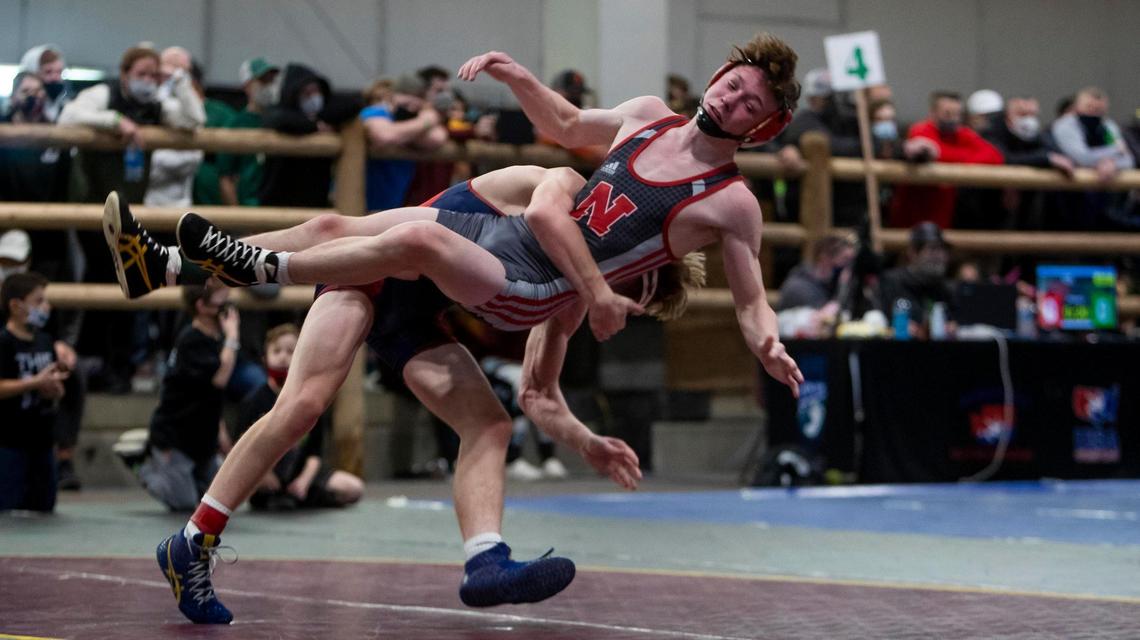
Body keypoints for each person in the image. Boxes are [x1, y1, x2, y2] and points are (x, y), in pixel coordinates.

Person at [109, 30, 804, 623]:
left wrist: (765, 341)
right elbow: (562, 131)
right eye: (734, 85)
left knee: (483, 411)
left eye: (752, 104)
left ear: (764, 127)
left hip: (457, 279)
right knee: (306, 387)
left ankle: (484, 558)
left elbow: (740, 303)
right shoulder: (589, 161)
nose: (733, 101)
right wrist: (517, 76)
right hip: (434, 261)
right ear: (718, 75)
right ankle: (192, 536)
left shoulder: (724, 205)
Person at [231, 323, 363, 509]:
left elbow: (315, 452)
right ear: (265, 358)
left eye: (290, 351)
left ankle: (298, 496)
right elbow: (239, 446)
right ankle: (278, 497)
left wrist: (304, 480)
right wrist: (264, 475)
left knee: (353, 488)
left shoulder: (309, 399)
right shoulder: (254, 401)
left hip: (299, 472)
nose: (283, 357)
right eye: (277, 351)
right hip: (264, 474)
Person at [136, 285, 238, 511]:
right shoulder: (191, 340)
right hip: (176, 437)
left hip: (203, 437)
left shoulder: (215, 338)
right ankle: (143, 467)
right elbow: (219, 379)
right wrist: (232, 336)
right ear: (202, 306)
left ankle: (183, 474)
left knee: (219, 499)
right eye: (221, 301)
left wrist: (220, 430)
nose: (228, 307)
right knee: (184, 502)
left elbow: (211, 394)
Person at [0, 272, 68, 512]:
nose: (46, 306)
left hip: (42, 438)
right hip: (10, 440)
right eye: (39, 301)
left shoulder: (45, 341)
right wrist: (35, 383)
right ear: (16, 306)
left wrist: (54, 390)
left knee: (44, 506)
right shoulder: (4, 342)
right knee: (9, 507)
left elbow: (53, 387)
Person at [889, 91, 1004, 229]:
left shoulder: (962, 133)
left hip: (942, 215)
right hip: (911, 211)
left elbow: (995, 156)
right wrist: (962, 157)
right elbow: (928, 152)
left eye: (957, 114)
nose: (953, 118)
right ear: (933, 113)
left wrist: (949, 157)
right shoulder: (920, 130)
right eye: (947, 113)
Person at [214, 57, 280, 207]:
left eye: (271, 80)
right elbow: (225, 177)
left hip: (278, 205)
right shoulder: (236, 124)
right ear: (247, 85)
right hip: (249, 204)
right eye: (263, 80)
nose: (269, 86)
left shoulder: (282, 123)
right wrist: (238, 215)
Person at [19, 44, 71, 122]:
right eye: (48, 72)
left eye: (59, 72)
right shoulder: (22, 104)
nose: (55, 77)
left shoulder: (64, 105)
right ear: (33, 74)